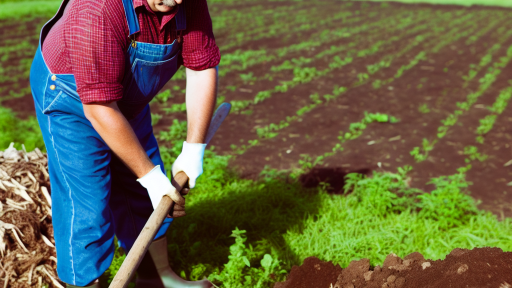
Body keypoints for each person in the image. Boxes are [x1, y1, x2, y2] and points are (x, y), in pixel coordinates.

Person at [29, 0, 220, 286]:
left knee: (143, 192)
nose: (177, 1)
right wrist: (152, 178)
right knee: (88, 203)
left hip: (125, 97)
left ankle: (157, 279)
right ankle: (84, 284)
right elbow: (100, 108)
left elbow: (201, 68)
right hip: (71, 99)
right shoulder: (96, 8)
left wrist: (193, 150)